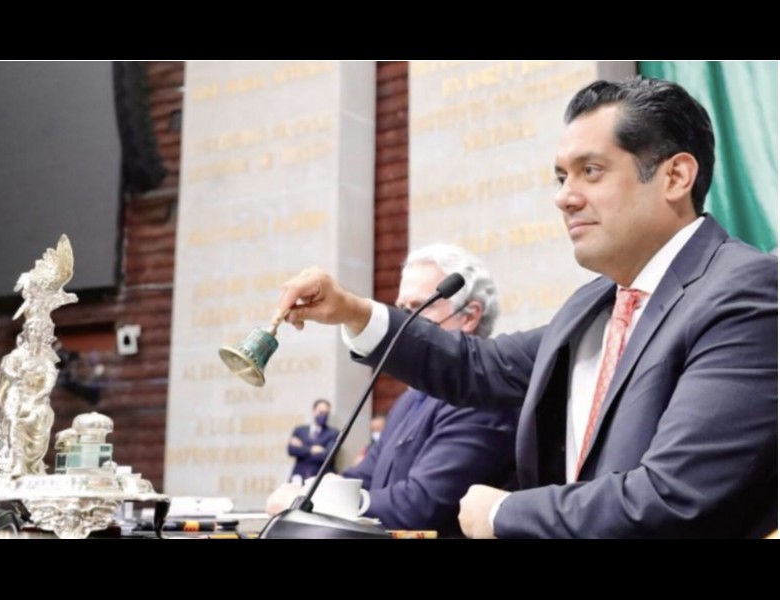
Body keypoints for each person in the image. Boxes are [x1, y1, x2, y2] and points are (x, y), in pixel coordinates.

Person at [273, 77, 777, 538]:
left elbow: (673, 495)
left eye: (591, 171)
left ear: (676, 177)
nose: (565, 198)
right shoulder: (594, 303)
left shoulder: (743, 292)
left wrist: (504, 513)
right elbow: (475, 366)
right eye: (561, 178)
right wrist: (353, 311)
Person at [267, 244, 519, 536]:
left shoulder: (484, 398)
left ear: (470, 316)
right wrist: (314, 490)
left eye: (420, 307)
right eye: (402, 309)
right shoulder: (409, 400)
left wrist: (322, 502)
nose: (406, 321)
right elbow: (366, 474)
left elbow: (422, 505)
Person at [287, 399, 338, 482]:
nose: (323, 415)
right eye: (321, 412)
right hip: (299, 477)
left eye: (326, 413)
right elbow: (291, 450)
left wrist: (302, 447)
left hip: (321, 478)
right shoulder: (300, 430)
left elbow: (328, 456)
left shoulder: (333, 433)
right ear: (313, 411)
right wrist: (311, 449)